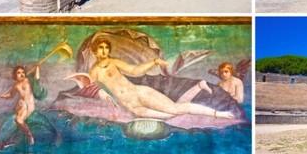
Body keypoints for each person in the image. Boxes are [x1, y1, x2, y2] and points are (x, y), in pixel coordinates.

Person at [87, 38, 233, 120]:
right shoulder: (94, 71)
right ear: (95, 50)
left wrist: (154, 62)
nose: (105, 50)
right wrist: (102, 93)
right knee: (171, 115)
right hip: (133, 107)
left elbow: (134, 71)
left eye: (106, 47)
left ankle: (219, 114)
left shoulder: (114, 62)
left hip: (140, 93)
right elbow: (89, 89)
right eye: (101, 47)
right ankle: (198, 87)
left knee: (175, 109)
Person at [0, 65, 42, 145]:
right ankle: (8, 140)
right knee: (18, 112)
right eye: (19, 73)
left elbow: (37, 79)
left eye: (23, 72)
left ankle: (30, 136)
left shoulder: (28, 80)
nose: (21, 74)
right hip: (21, 105)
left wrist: (37, 68)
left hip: (28, 105)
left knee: (19, 120)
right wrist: (1, 96)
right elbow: (11, 95)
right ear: (15, 75)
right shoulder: (16, 85)